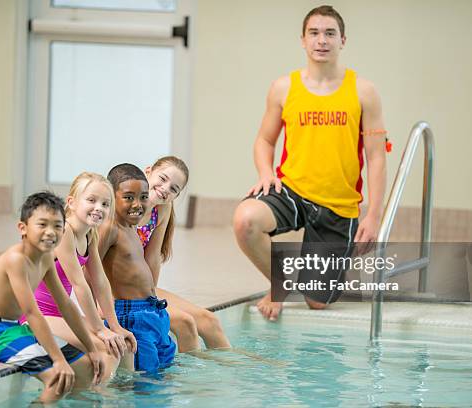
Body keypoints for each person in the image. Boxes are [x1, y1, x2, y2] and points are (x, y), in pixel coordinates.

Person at [233, 5, 387, 321]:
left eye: (329, 33)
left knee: (317, 301)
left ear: (343, 40)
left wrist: (373, 216)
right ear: (303, 40)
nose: (322, 40)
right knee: (245, 220)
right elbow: (264, 140)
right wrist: (265, 172)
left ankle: (320, 267)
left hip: (338, 205)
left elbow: (375, 157)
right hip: (292, 190)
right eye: (314, 33)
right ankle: (279, 283)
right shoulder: (284, 87)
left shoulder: (363, 91)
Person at [0, 192, 105, 402]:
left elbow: (66, 305)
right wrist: (58, 359)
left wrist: (92, 349)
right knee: (57, 380)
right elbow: (32, 313)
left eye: (57, 226)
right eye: (42, 225)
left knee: (86, 367)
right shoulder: (16, 259)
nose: (50, 232)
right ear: (22, 228)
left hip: (15, 329)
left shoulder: (45, 260)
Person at [21, 172, 137, 376]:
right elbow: (79, 283)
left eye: (105, 204)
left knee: (124, 345)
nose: (98, 208)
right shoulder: (64, 231)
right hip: (37, 314)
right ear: (71, 203)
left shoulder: (89, 234)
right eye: (91, 200)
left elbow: (100, 281)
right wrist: (100, 329)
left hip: (62, 313)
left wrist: (115, 326)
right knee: (106, 348)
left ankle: (127, 397)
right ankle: (98, 400)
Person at [138, 156, 231, 352]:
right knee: (185, 322)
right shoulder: (125, 204)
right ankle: (190, 381)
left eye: (174, 189)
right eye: (162, 179)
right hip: (114, 290)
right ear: (148, 172)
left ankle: (235, 375)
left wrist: (150, 297)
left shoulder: (162, 208)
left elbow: (152, 257)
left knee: (209, 320)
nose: (165, 188)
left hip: (139, 288)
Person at [98, 163, 176, 372]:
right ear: (111, 196)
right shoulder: (110, 228)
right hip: (131, 316)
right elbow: (90, 268)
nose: (138, 204)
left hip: (153, 312)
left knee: (163, 373)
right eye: (128, 197)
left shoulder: (131, 227)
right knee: (145, 379)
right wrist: (100, 310)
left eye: (143, 197)